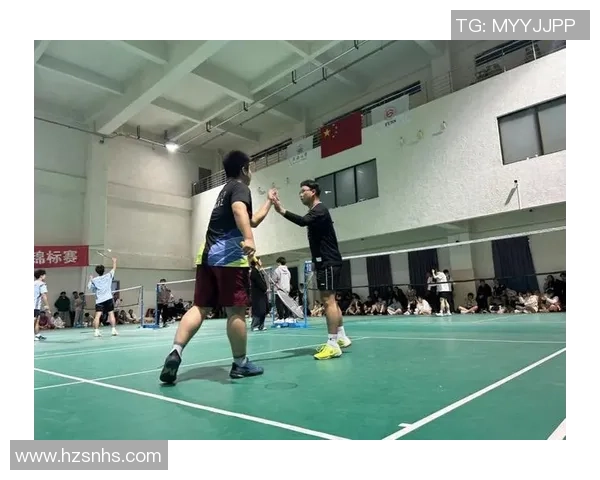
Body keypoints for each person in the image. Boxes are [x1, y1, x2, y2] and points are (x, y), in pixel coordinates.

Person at [159, 150, 275, 384]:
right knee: (236, 311)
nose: (251, 172)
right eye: (250, 167)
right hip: (229, 257)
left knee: (200, 307)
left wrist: (269, 202)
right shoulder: (240, 187)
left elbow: (251, 220)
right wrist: (249, 239)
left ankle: (175, 351)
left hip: (206, 255)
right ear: (244, 169)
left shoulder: (225, 190)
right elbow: (239, 211)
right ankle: (240, 364)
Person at [270, 180, 351, 360]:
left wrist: (281, 210)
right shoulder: (316, 211)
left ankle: (332, 344)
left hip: (328, 262)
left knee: (328, 301)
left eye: (303, 191)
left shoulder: (319, 210)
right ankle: (341, 337)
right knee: (331, 300)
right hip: (326, 262)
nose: (300, 194)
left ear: (313, 192)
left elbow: (302, 221)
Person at [88, 257, 118, 337]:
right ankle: (113, 330)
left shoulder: (94, 280)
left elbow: (89, 287)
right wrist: (114, 261)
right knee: (111, 314)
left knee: (97, 316)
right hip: (108, 298)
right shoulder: (108, 276)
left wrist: (91, 279)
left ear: (96, 271)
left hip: (99, 301)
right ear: (104, 270)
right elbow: (114, 268)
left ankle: (96, 331)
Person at [249, 257, 269, 331]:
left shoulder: (259, 271)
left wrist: (266, 289)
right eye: (260, 261)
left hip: (263, 293)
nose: (261, 262)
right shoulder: (254, 272)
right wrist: (265, 288)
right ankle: (255, 325)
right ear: (256, 262)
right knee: (258, 310)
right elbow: (258, 282)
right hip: (257, 294)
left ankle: (261, 325)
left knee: (264, 310)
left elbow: (263, 282)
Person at [272, 256, 291, 321]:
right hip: (286, 289)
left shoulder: (277, 270)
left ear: (279, 263)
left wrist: (271, 281)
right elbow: (289, 279)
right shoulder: (288, 271)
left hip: (279, 290)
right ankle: (287, 317)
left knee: (279, 304)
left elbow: (274, 280)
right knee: (286, 304)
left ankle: (281, 318)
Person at [34, 269, 51, 341]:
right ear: (41, 276)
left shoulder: (33, 283)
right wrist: (47, 306)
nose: (45, 276)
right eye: (44, 275)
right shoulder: (42, 284)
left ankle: (37, 335)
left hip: (35, 305)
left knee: (37, 320)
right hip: (35, 306)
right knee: (34, 320)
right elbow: (44, 295)